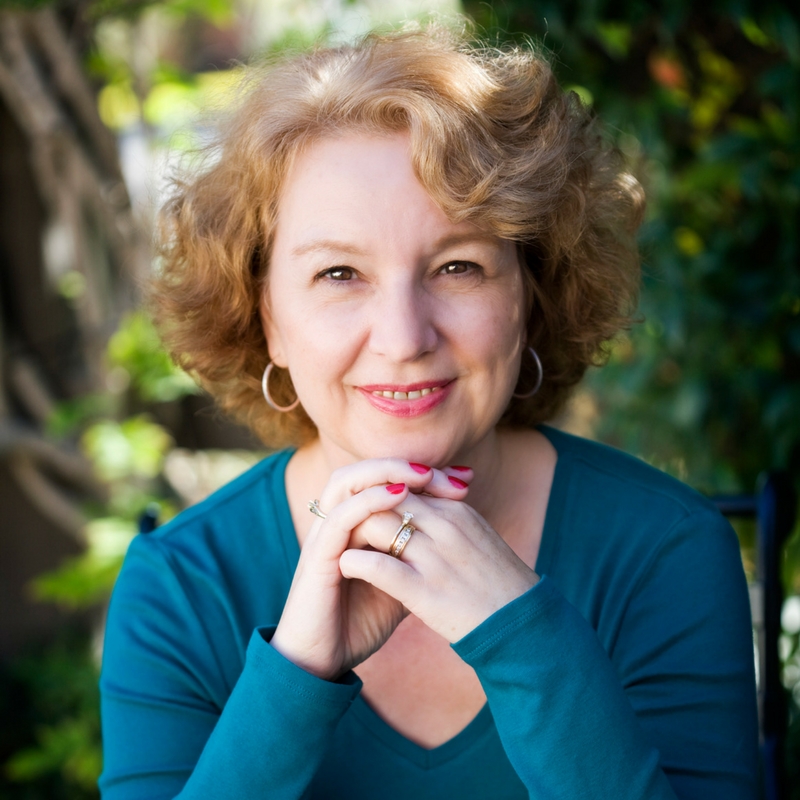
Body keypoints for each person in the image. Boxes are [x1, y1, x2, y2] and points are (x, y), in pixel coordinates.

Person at [99, 23, 758, 800]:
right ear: (266, 318)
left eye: (458, 266)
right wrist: (295, 677)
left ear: (529, 296)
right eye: (340, 272)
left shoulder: (664, 549)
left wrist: (528, 642)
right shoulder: (180, 588)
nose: (405, 338)